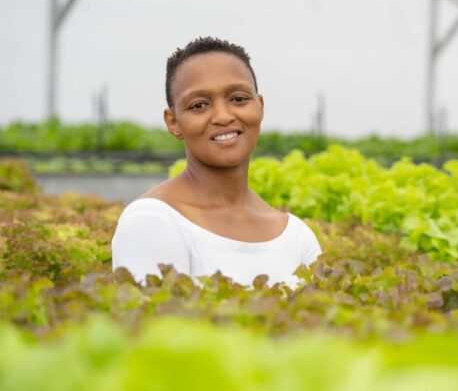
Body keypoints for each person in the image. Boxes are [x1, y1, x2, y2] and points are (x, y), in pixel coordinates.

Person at [111, 36, 322, 288]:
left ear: (260, 106)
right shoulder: (151, 221)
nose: (223, 116)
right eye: (199, 105)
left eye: (239, 99)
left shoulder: (298, 237)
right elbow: (154, 325)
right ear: (173, 122)